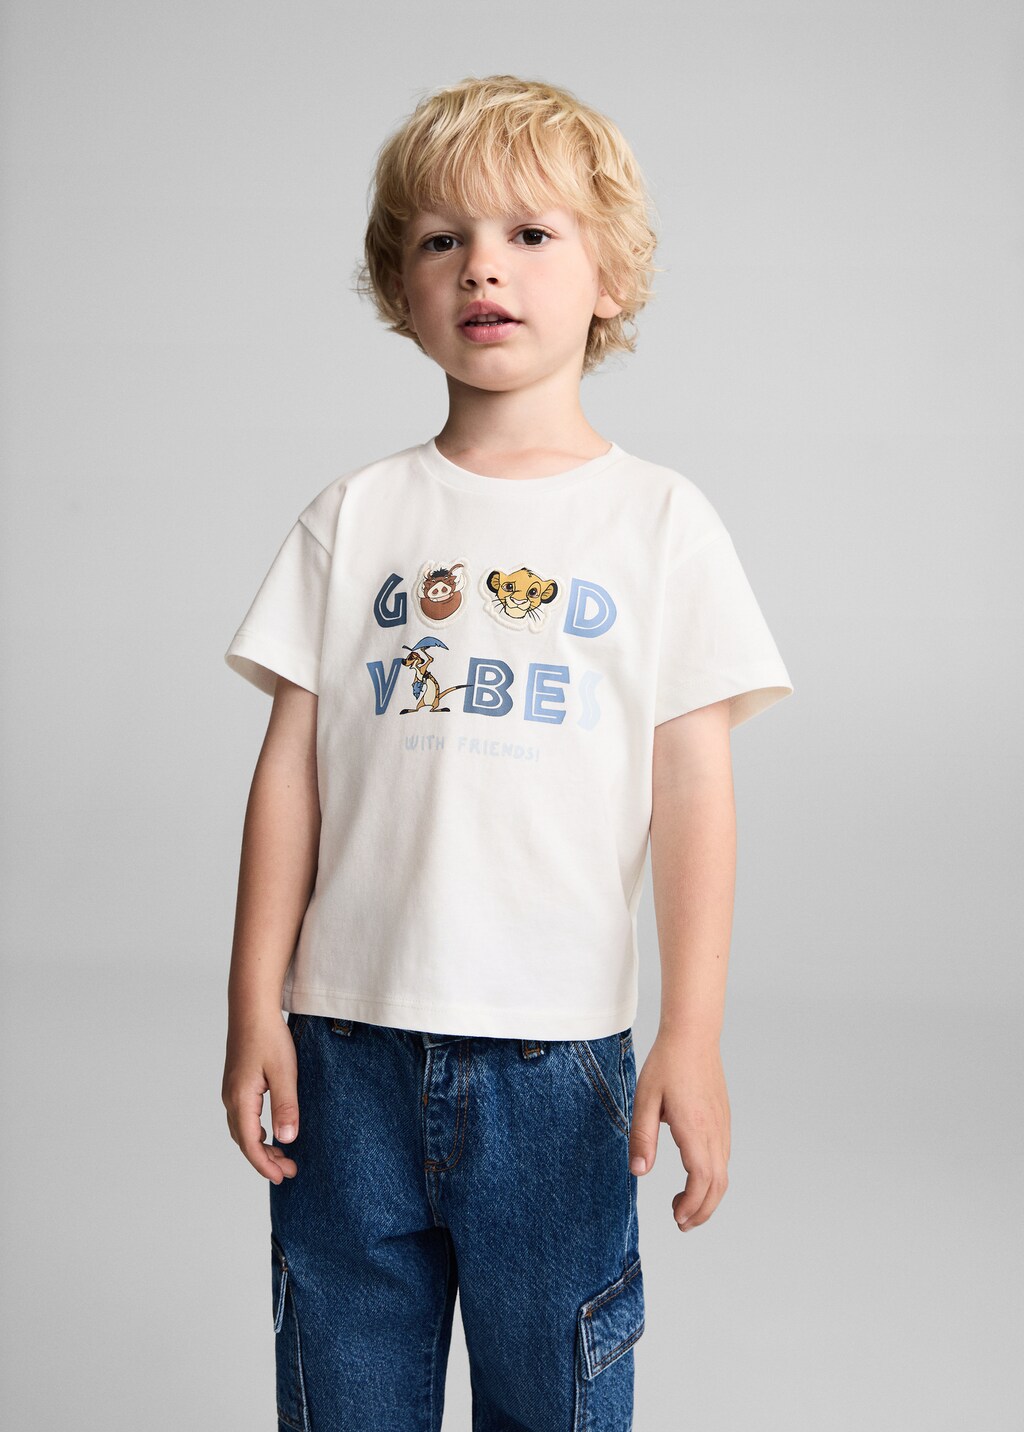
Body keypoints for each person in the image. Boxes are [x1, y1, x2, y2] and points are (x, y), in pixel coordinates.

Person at [221, 73, 793, 1432]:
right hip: (344, 1048)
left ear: (609, 278)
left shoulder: (659, 525)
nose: (484, 265)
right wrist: (253, 1002)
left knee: (556, 1393)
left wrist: (693, 1032)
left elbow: (694, 791)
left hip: (553, 1067)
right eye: (443, 240)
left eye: (531, 234)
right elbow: (290, 772)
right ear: (402, 287)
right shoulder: (356, 517)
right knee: (343, 1387)